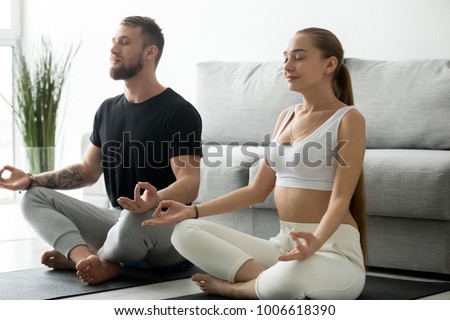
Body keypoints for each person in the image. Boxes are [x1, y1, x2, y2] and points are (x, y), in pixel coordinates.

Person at [145, 27, 367, 299]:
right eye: (285, 57)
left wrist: (315, 243)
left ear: (329, 64)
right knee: (184, 232)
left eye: (298, 57)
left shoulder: (348, 119)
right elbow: (256, 191)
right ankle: (265, 281)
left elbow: (340, 198)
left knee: (289, 279)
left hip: (332, 250)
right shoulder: (286, 116)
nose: (287, 65)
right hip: (284, 244)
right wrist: (192, 212)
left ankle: (238, 289)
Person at [0, 16, 202, 285]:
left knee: (133, 217)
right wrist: (32, 179)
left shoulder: (179, 112)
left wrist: (152, 200)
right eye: (113, 41)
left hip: (165, 226)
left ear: (150, 52)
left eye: (125, 41)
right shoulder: (107, 110)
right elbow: (87, 172)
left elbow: (190, 183)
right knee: (32, 197)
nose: (114, 48)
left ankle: (101, 259)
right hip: (117, 222)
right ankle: (85, 259)